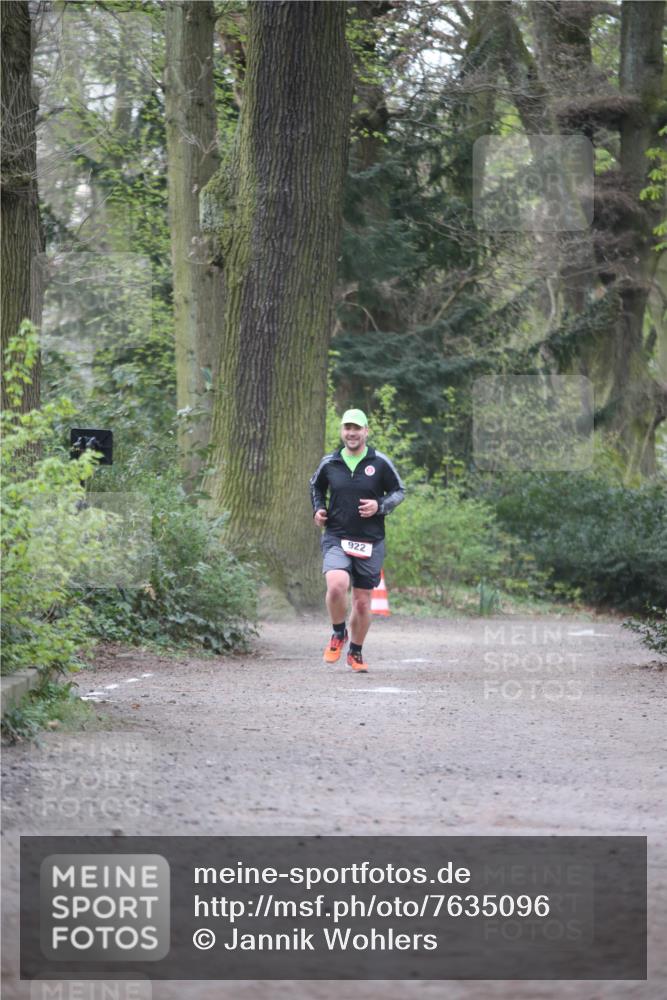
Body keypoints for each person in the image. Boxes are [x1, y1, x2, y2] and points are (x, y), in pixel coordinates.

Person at [309, 408, 405, 673]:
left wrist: (380, 505)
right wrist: (318, 509)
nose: (351, 433)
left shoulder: (380, 462)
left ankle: (356, 652)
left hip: (370, 540)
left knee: (362, 601)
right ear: (342, 431)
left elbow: (399, 491)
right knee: (337, 584)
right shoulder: (330, 462)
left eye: (356, 428)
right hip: (337, 535)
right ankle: (338, 633)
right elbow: (316, 486)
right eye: (347, 428)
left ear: (365, 431)